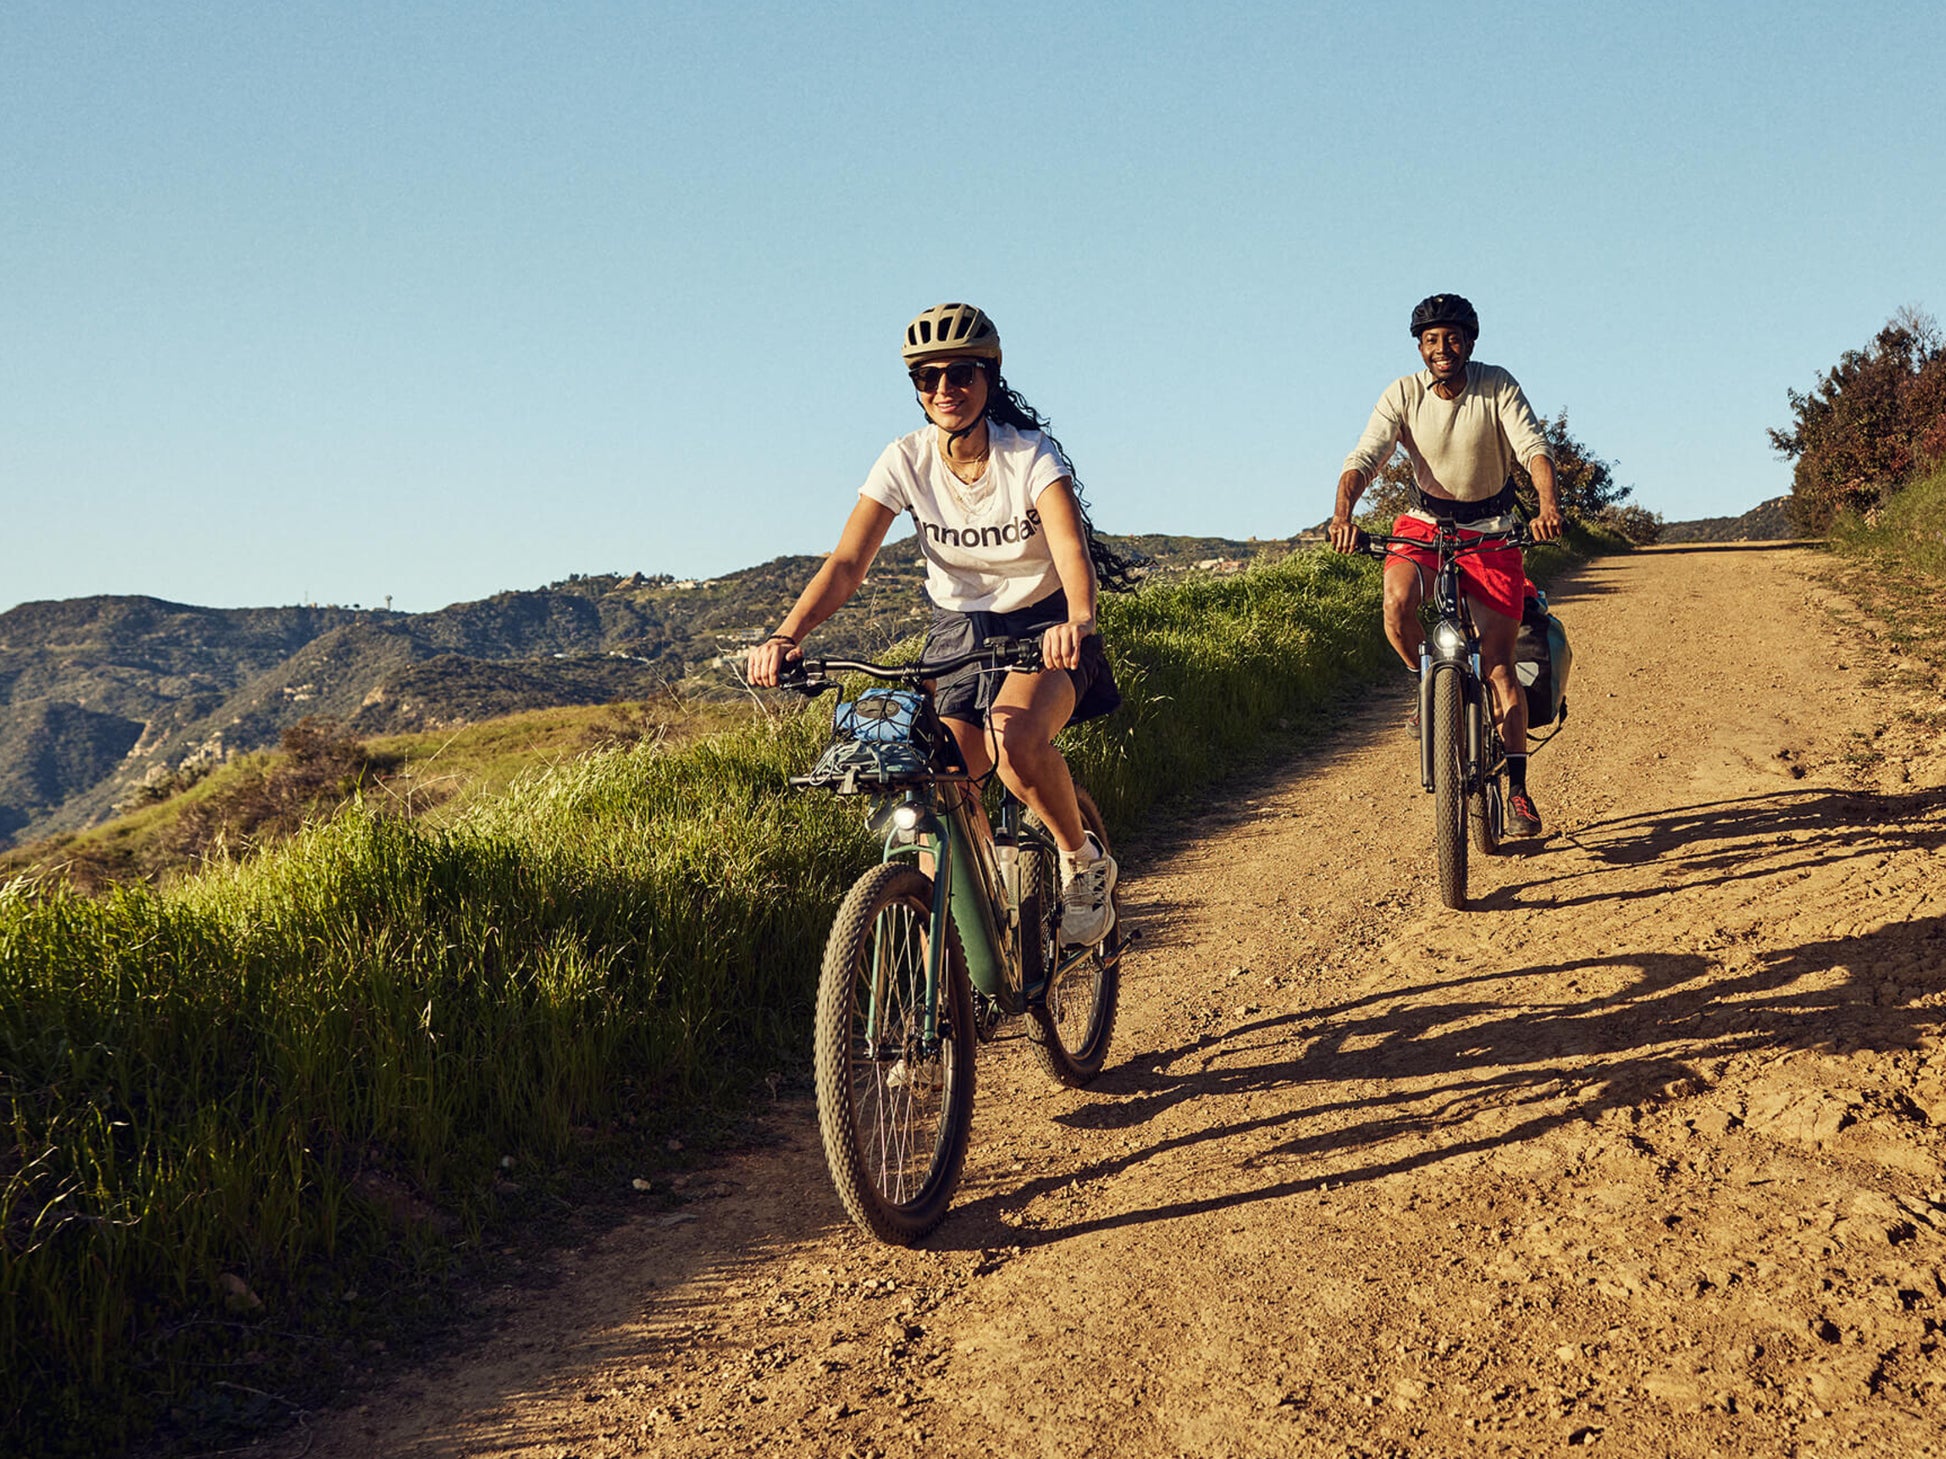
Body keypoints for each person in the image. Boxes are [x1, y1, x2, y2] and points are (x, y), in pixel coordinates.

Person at [747, 302, 1130, 944]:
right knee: (932, 780)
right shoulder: (905, 459)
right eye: (927, 378)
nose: (944, 390)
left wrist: (1079, 618)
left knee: (1014, 746)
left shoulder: (1029, 456)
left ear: (989, 378)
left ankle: (1082, 861)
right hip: (960, 634)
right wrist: (789, 635)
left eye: (960, 374)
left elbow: (1070, 550)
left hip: (1046, 624)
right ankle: (973, 924)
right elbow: (846, 563)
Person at [1327, 293, 1564, 836]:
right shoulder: (1403, 394)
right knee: (1396, 607)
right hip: (1426, 524)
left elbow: (1533, 448)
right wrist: (1342, 514)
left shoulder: (1496, 384)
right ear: (1419, 347)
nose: (1442, 349)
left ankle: (1520, 790)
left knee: (1501, 666)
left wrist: (1548, 506)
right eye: (1431, 340)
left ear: (1470, 343)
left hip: (1493, 530)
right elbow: (1366, 456)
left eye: (1452, 338)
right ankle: (1428, 686)